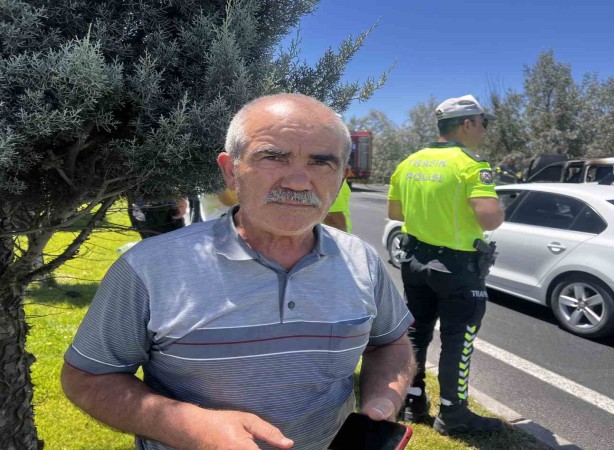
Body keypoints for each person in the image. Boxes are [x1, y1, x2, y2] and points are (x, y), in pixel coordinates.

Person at [61, 93, 416, 450]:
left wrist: (382, 401)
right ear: (230, 170)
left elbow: (390, 343)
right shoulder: (148, 268)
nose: (297, 182)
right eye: (273, 157)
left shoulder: (362, 260)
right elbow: (88, 377)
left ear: (341, 178)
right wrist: (190, 426)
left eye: (321, 162)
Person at [387, 94, 505, 435]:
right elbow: (490, 218)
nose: (483, 129)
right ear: (467, 124)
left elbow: (395, 212)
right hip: (457, 267)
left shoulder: (409, 163)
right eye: (482, 123)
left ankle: (412, 400)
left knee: (416, 333)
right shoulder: (471, 164)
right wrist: (498, 208)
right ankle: (454, 416)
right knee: (458, 340)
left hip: (414, 261)